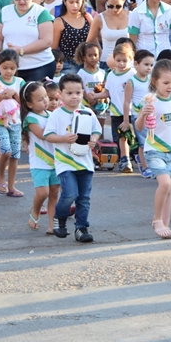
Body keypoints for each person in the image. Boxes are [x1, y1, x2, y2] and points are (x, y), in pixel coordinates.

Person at [136, 59, 171, 239]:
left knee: (170, 188)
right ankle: (157, 220)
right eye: (166, 83)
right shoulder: (150, 101)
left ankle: (166, 226)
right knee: (165, 183)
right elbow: (138, 128)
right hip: (154, 150)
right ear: (155, 82)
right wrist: (143, 115)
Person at [44, 74, 101, 242]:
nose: (74, 96)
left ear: (83, 93)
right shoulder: (56, 115)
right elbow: (48, 135)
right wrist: (63, 138)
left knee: (84, 198)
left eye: (78, 92)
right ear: (60, 94)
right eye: (69, 93)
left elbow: (96, 130)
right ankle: (59, 216)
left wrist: (94, 140)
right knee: (70, 194)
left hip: (85, 163)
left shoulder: (88, 112)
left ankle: (81, 228)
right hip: (66, 163)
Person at [0, 0, 56, 83]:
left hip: (39, 65)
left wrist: (21, 50)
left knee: (33, 97)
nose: (22, 1)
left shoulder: (41, 12)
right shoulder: (5, 11)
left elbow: (47, 41)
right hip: (12, 68)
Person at [21, 81, 59, 234]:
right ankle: (35, 212)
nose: (45, 101)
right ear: (29, 104)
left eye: (46, 97)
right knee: (43, 193)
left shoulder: (52, 114)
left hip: (56, 162)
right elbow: (44, 135)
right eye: (40, 99)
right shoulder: (30, 119)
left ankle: (52, 226)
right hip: (40, 163)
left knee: (54, 193)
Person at [0, 49, 25, 198]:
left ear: (17, 68)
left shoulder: (20, 82)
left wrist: (15, 94)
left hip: (16, 123)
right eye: (5, 68)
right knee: (6, 150)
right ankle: (0, 176)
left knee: (15, 155)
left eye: (12, 68)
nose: (8, 71)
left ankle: (11, 187)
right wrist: (2, 96)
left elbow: (25, 104)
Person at [98, 41, 135, 172]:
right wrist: (95, 96)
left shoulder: (133, 74)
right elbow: (107, 92)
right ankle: (125, 160)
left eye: (124, 60)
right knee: (122, 136)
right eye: (118, 60)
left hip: (133, 111)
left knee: (136, 137)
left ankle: (139, 158)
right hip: (116, 111)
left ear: (131, 59)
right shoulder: (111, 75)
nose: (121, 63)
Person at [124, 50, 154, 177]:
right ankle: (145, 167)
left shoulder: (152, 80)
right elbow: (126, 102)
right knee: (143, 142)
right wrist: (126, 120)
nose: (149, 68)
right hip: (138, 117)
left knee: (152, 141)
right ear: (136, 64)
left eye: (151, 65)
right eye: (146, 64)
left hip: (152, 116)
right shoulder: (132, 81)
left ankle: (151, 164)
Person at [86, 0, 129, 70]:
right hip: (106, 62)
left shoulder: (131, 16)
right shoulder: (99, 18)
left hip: (127, 62)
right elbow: (89, 41)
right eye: (110, 6)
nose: (114, 9)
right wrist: (99, 52)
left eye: (118, 6)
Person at [51, 0, 91, 75]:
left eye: (77, 2)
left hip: (87, 62)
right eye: (71, 2)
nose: (75, 6)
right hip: (68, 63)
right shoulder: (59, 21)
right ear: (65, 2)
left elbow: (94, 40)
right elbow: (54, 48)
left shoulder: (87, 17)